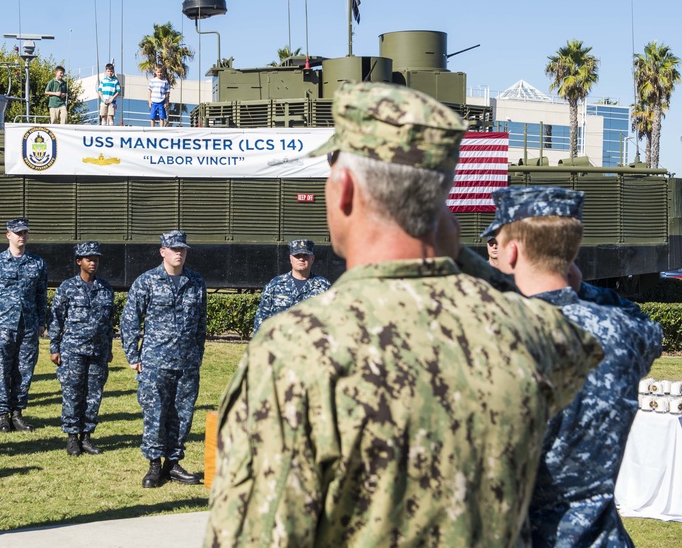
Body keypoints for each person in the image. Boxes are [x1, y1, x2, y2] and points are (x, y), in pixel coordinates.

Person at [204, 82, 604, 546]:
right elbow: (571, 336)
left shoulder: (293, 351)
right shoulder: (527, 332)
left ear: (343, 188)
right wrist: (457, 253)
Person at [482, 186, 662, 547]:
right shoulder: (621, 331)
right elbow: (647, 327)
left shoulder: (494, 335)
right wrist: (575, 286)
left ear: (513, 251)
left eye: (497, 243)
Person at [120, 230, 206, 488]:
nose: (179, 253)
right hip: (155, 361)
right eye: (173, 249)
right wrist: (133, 355)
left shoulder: (196, 282)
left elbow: (201, 323)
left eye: (182, 249)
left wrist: (197, 354)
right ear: (163, 252)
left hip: (187, 363)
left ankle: (173, 463)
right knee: (155, 413)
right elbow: (129, 319)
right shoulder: (147, 281)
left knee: (183, 414)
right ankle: (154, 466)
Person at [49, 241, 115, 456]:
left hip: (98, 350)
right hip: (73, 350)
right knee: (72, 393)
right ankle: (71, 437)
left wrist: (110, 348)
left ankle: (87, 436)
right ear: (79, 261)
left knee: (94, 395)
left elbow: (109, 322)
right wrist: (54, 347)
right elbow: (56, 319)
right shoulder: (67, 287)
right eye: (89, 259)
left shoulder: (105, 288)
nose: (93, 262)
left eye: (96, 258)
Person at [0, 218, 47, 432]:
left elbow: (41, 295)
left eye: (24, 232)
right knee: (1, 369)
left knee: (24, 369)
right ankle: (2, 414)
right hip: (2, 325)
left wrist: (41, 321)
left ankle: (17, 412)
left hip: (27, 325)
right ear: (8, 235)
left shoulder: (37, 263)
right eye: (17, 232)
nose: (21, 236)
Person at [253, 239, 331, 334]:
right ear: (291, 259)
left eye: (305, 256)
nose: (301, 259)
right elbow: (262, 318)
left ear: (312, 259)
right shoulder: (275, 284)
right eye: (297, 256)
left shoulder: (324, 286)